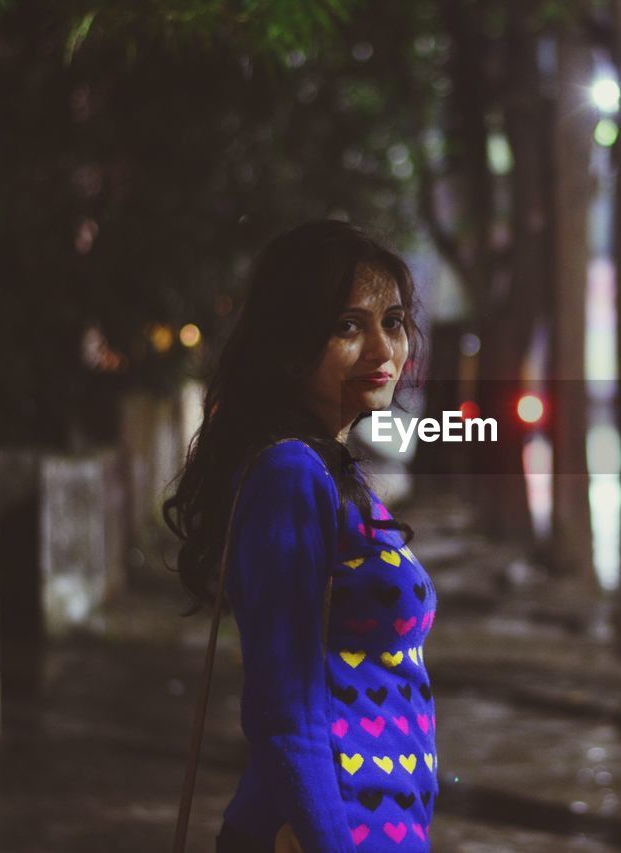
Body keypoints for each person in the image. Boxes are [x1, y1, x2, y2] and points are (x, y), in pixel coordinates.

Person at [164, 220, 438, 852]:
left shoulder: (336, 475)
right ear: (291, 343)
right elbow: (283, 710)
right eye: (349, 326)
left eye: (392, 322)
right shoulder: (291, 475)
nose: (382, 350)